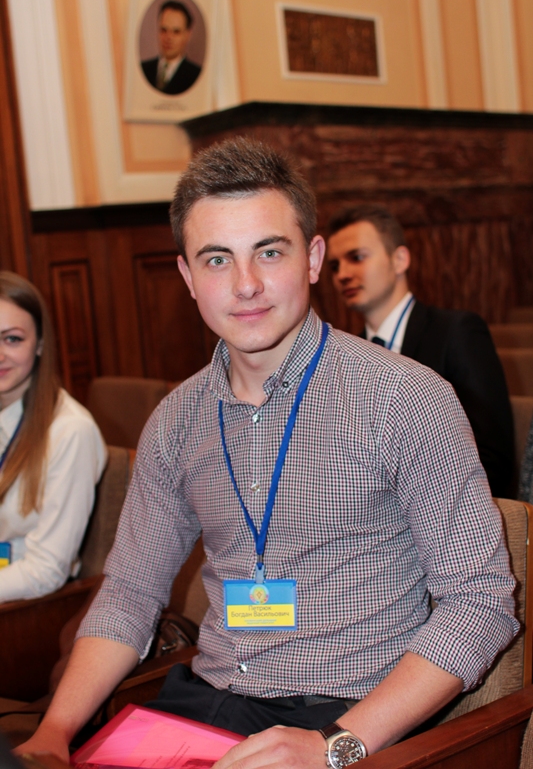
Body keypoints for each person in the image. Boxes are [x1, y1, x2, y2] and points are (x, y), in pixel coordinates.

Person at [19, 139, 517, 768]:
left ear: (313, 259)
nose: (246, 285)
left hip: (349, 716)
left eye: (269, 252)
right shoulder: (176, 420)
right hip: (205, 704)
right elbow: (130, 593)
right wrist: (55, 731)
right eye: (217, 259)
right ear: (187, 278)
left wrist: (333, 746)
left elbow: (480, 604)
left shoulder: (406, 399)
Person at [327, 205, 514, 498]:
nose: (343, 274)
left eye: (357, 257)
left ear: (400, 259)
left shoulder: (457, 331)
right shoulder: (347, 354)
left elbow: (493, 458)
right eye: (334, 266)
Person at [0, 272, 107, 603]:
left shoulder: (70, 430)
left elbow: (46, 571)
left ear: (40, 344)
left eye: (12, 339)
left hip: (29, 608)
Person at [141, 0, 201, 95]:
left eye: (176, 32)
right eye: (164, 30)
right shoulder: (143, 69)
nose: (168, 38)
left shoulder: (198, 76)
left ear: (187, 35)